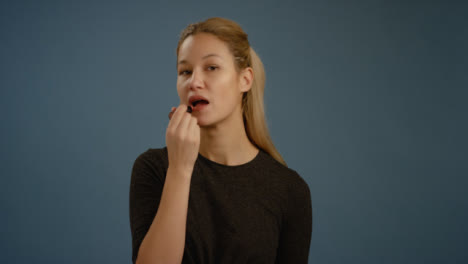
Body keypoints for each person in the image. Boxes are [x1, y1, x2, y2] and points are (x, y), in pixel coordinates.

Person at [129, 17, 312, 264]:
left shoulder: (289, 190)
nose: (194, 82)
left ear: (245, 80)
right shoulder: (154, 168)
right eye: (185, 71)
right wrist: (180, 169)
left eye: (211, 67)